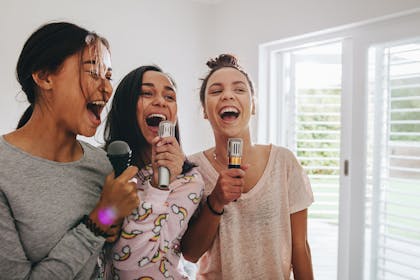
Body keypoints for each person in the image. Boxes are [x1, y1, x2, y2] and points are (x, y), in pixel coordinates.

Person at [0, 22, 140, 279]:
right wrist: (99, 221)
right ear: (44, 77)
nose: (107, 89)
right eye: (93, 72)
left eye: (108, 76)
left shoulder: (103, 166)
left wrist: (113, 220)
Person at [181, 54, 315, 280]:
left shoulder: (284, 163)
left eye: (239, 89)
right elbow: (190, 254)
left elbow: (300, 248)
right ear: (205, 110)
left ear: (253, 105)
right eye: (216, 91)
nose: (227, 95)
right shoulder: (192, 170)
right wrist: (216, 201)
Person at [102, 65, 204, 279]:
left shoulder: (188, 181)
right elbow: (99, 225)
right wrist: (108, 215)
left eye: (169, 96)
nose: (160, 101)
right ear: (125, 105)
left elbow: (130, 259)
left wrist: (159, 186)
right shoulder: (102, 166)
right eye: (146, 93)